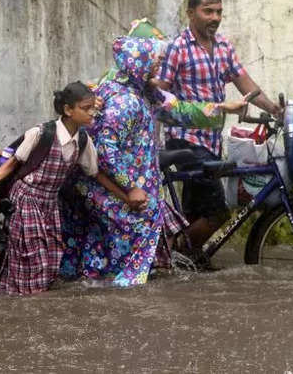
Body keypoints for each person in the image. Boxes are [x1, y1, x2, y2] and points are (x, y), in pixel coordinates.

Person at [60, 35, 247, 286]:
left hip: (132, 189)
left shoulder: (144, 93)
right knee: (131, 245)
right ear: (140, 63)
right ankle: (117, 291)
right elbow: (106, 153)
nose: (160, 66)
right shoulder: (124, 102)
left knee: (129, 246)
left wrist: (223, 107)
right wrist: (130, 187)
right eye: (156, 61)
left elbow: (180, 109)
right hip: (114, 190)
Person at [0, 81, 143, 295]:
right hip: (27, 196)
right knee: (31, 251)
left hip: (49, 201)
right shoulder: (41, 133)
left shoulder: (83, 141)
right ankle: (27, 296)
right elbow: (13, 162)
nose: (92, 112)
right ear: (68, 110)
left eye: (93, 107)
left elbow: (96, 174)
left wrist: (126, 197)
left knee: (52, 252)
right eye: (86, 108)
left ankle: (14, 292)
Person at [156, 0, 281, 250]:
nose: (214, 17)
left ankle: (189, 261)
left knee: (195, 211)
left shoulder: (223, 46)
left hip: (211, 141)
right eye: (208, 11)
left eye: (219, 12)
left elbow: (245, 84)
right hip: (185, 141)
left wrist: (273, 109)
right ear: (191, 13)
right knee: (217, 212)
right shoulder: (178, 48)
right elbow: (159, 95)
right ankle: (174, 255)